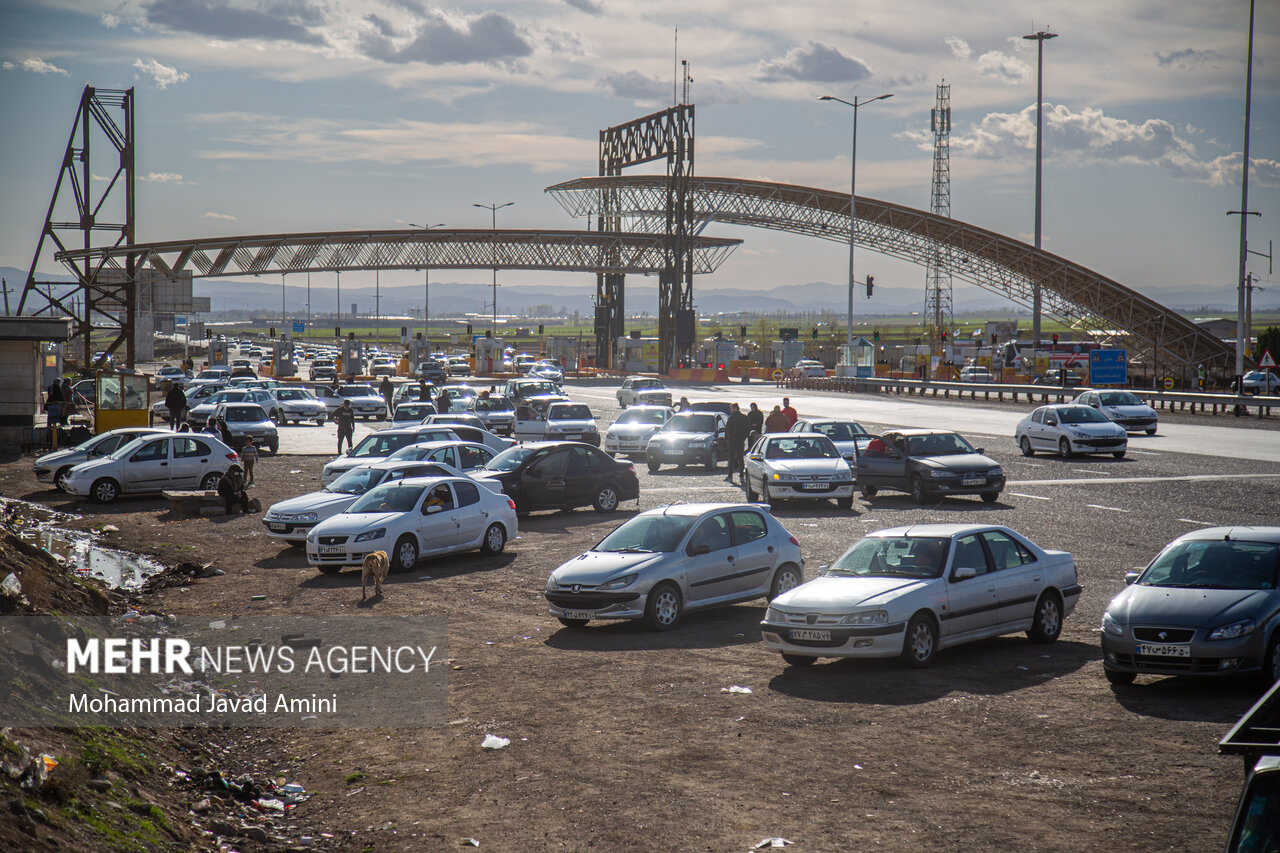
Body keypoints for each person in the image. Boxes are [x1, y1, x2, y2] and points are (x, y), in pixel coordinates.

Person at [725, 402, 750, 481]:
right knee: (740, 458)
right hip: (740, 440)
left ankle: (730, 475)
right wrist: (744, 437)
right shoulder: (744, 417)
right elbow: (748, 429)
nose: (730, 410)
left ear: (735, 409)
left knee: (731, 458)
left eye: (731, 408)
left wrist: (728, 438)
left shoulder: (731, 418)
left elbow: (727, 429)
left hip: (732, 441)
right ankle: (741, 475)